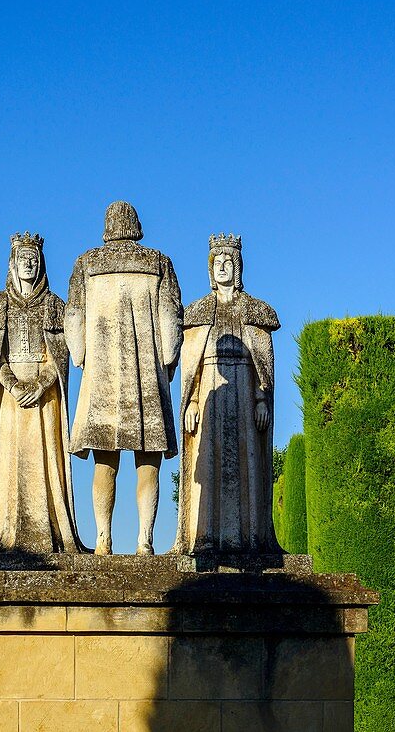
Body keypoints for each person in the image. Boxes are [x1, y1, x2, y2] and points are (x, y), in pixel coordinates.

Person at [65, 201, 182, 555]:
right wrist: (168, 360)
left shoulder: (87, 264)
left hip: (102, 376)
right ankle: (145, 539)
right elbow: (171, 318)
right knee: (149, 461)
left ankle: (103, 538)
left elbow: (74, 316)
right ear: (136, 225)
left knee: (105, 461)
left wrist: (80, 355)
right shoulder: (158, 263)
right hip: (146, 375)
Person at [173, 233, 281, 554]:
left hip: (245, 391)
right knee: (208, 461)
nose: (223, 267)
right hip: (209, 388)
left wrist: (262, 398)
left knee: (246, 462)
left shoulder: (255, 311)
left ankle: (248, 537)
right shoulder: (198, 313)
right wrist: (191, 400)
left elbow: (263, 363)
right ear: (210, 269)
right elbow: (191, 364)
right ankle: (205, 537)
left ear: (238, 267)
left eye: (228, 261)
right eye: (217, 262)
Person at [0, 232, 84, 553]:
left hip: (44, 397)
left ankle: (51, 530)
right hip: (10, 399)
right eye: (23, 257)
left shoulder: (54, 306)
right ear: (12, 263)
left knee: (47, 459)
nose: (29, 262)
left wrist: (40, 383)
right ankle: (5, 531)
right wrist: (11, 383)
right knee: (9, 463)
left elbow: (60, 355)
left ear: (41, 263)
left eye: (34, 257)